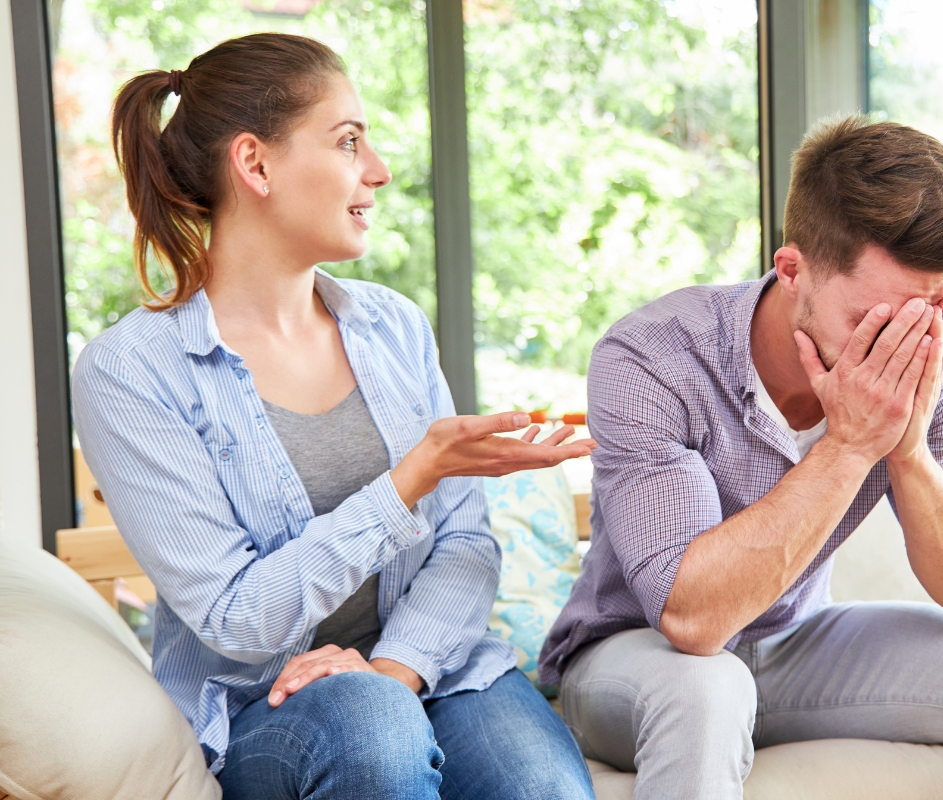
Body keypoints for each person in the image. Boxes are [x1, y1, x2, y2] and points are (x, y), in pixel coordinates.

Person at [73, 32, 596, 800]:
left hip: (431, 668)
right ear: (255, 164)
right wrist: (410, 478)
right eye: (349, 141)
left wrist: (393, 667)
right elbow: (235, 617)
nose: (378, 172)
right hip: (266, 706)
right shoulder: (130, 372)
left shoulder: (394, 327)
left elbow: (465, 544)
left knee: (539, 787)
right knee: (370, 728)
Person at [540, 115, 943, 800]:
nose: (905, 348)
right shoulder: (653, 358)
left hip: (792, 643)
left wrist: (906, 451)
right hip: (632, 656)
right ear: (792, 271)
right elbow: (693, 621)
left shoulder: (924, 374)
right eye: (879, 321)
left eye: (937, 317)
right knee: (707, 685)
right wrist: (848, 446)